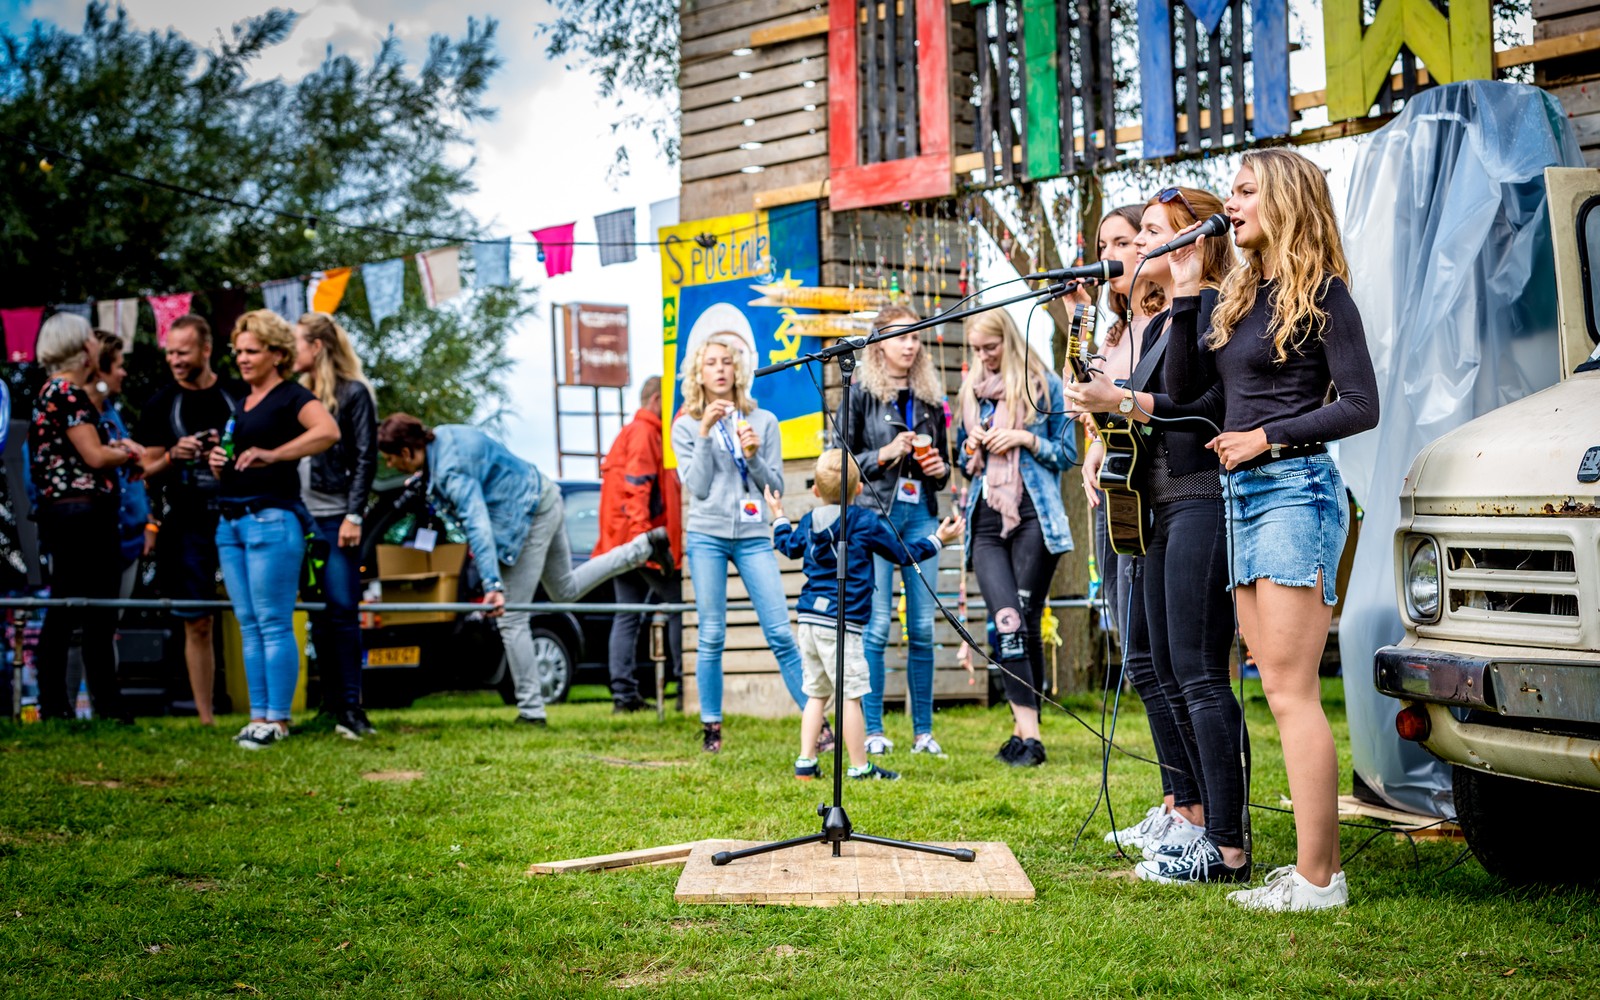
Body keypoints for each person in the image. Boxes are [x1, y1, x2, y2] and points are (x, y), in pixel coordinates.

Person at [1165, 148, 1379, 910]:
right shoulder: (1238, 294)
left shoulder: (1322, 292)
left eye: (1246, 190)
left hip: (1295, 489)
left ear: (1285, 199)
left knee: (1290, 692)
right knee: (1271, 687)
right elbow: (1190, 395)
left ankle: (1322, 879)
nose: (1233, 203)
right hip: (1242, 497)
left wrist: (1269, 437)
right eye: (1231, 191)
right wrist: (1190, 289)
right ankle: (1307, 867)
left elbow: (1361, 404)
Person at [1068, 186, 1250, 884]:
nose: (1140, 247)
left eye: (1152, 233)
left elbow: (1196, 401)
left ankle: (1224, 842)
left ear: (1190, 238)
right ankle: (1197, 819)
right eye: (1138, 233)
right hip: (1158, 502)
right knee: (1169, 669)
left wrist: (1184, 293)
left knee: (1198, 675)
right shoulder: (1171, 315)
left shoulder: (1208, 306)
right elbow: (1161, 402)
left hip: (1198, 497)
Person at [376, 413, 669, 727]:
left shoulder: (450, 470)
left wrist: (493, 585)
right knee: (565, 590)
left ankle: (531, 711)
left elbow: (478, 525)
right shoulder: (444, 437)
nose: (390, 466)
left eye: (391, 459)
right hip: (545, 494)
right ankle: (639, 548)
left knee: (512, 616)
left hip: (528, 516)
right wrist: (426, 482)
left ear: (407, 452)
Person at [766, 450, 963, 781]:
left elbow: (787, 545)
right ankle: (860, 766)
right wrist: (937, 540)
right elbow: (902, 554)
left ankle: (805, 762)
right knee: (850, 696)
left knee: (817, 693)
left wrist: (779, 515)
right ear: (859, 490)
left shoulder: (809, 522)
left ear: (815, 490)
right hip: (841, 625)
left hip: (809, 622)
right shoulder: (865, 522)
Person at [672, 332, 814, 755]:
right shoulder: (684, 425)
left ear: (738, 370)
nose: (719, 369)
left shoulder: (764, 421)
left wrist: (752, 455)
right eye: (711, 363)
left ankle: (816, 722)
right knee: (711, 634)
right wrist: (703, 432)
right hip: (706, 535)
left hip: (753, 535)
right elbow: (695, 488)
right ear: (698, 374)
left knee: (780, 633)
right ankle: (711, 727)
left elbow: (774, 487)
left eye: (726, 362)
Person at [208, 310, 340, 750]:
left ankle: (279, 720)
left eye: (252, 351)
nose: (242, 359)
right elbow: (237, 453)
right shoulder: (240, 403)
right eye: (239, 351)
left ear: (277, 354)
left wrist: (276, 453)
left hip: (273, 520)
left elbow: (327, 431)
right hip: (232, 522)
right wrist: (218, 462)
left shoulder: (291, 396)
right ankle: (258, 716)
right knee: (248, 623)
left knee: (273, 621)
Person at [954, 309, 1077, 768]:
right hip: (986, 519)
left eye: (990, 348)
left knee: (1022, 620)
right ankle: (1030, 737)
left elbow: (1066, 454)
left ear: (1009, 340)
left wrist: (1024, 438)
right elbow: (962, 459)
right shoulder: (971, 393)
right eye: (976, 350)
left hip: (1033, 518)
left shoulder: (1045, 387)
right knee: (1005, 620)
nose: (983, 357)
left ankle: (1027, 734)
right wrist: (970, 447)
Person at [832, 306, 952, 757]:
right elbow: (838, 461)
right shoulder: (860, 393)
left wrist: (939, 468)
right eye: (901, 337)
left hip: (921, 512)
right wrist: (883, 453)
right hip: (875, 515)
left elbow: (942, 471)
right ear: (878, 343)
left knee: (921, 626)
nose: (910, 344)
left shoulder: (929, 400)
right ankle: (875, 730)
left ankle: (924, 732)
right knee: (877, 625)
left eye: (916, 336)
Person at [27, 313, 140, 724]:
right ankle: (73, 704)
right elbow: (93, 455)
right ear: (80, 346)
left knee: (81, 609)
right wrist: (128, 452)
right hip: (80, 512)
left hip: (71, 512)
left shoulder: (54, 392)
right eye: (91, 337)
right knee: (86, 609)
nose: (97, 343)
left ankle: (70, 704)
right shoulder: (67, 392)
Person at [135, 314, 247, 725]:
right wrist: (172, 455)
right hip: (185, 524)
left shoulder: (238, 395)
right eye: (170, 353)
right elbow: (142, 470)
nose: (175, 360)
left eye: (183, 352)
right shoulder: (161, 404)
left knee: (253, 612)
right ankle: (206, 717)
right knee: (196, 620)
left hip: (241, 512)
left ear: (205, 350)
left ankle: (266, 712)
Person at [292, 312, 379, 740]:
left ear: (317, 347)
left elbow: (365, 457)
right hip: (300, 516)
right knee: (318, 616)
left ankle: (352, 709)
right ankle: (329, 706)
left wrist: (353, 513)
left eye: (296, 343)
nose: (290, 352)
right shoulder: (294, 394)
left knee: (343, 609)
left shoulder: (354, 394)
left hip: (336, 516)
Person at [595, 375, 682, 713]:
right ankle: (683, 687)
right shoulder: (647, 432)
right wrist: (645, 539)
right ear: (657, 399)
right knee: (677, 605)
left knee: (627, 614)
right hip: (640, 540)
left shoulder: (629, 432)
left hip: (621, 540)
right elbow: (638, 487)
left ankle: (624, 695)